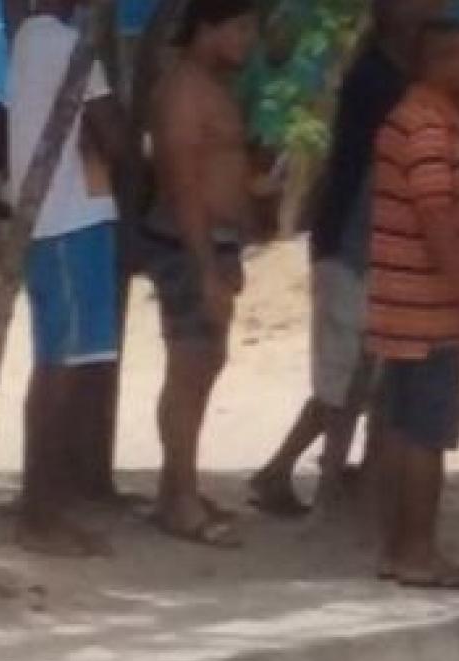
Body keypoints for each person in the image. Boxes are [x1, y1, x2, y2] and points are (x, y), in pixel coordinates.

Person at [248, 0, 429, 518]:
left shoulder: (381, 74)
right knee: (343, 379)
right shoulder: (381, 82)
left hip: (357, 244)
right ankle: (297, 474)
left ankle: (305, 472)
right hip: (352, 245)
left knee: (351, 376)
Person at [368, 19, 459, 590]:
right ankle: (418, 550)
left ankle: (399, 548)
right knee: (427, 434)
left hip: (403, 306)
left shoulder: (422, 120)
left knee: (405, 429)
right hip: (427, 308)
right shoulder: (427, 128)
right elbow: (434, 214)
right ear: (437, 63)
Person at [6, 0, 128, 556]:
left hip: (55, 222)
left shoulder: (30, 42)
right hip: (72, 220)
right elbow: (115, 137)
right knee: (61, 368)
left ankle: (46, 504)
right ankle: (41, 512)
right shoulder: (69, 48)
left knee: (64, 363)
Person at [147, 0, 260, 548]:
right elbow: (183, 182)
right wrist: (205, 267)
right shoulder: (184, 93)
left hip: (214, 242)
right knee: (190, 369)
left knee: (203, 364)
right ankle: (179, 498)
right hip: (191, 244)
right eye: (240, 28)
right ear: (208, 29)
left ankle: (179, 487)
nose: (248, 40)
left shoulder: (208, 87)